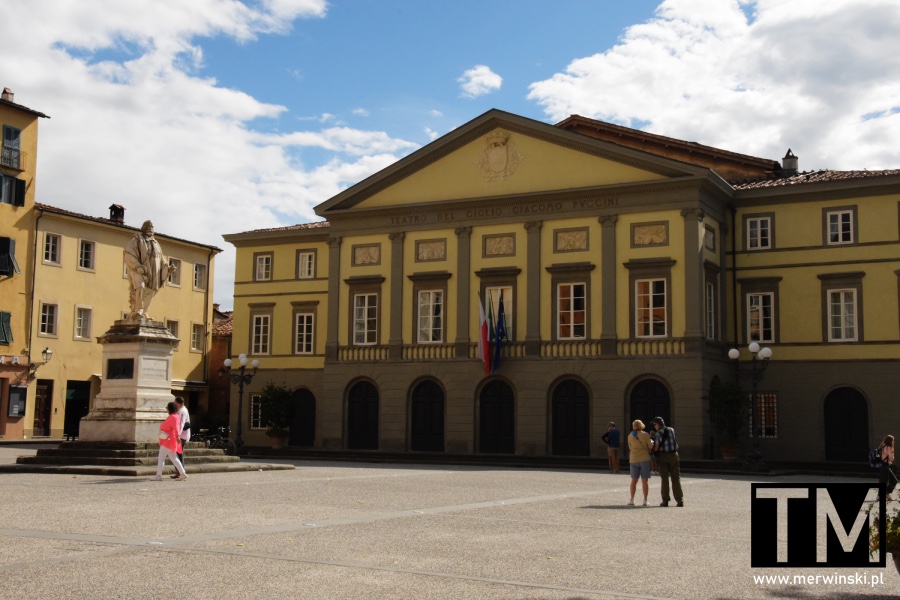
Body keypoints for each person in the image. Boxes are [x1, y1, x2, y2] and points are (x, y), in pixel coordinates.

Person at [124, 220, 175, 320]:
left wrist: (167, 267)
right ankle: (138, 310)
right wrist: (137, 266)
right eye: (148, 226)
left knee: (151, 291)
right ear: (143, 228)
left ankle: (144, 312)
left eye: (152, 227)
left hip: (153, 271)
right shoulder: (137, 239)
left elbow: (161, 258)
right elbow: (128, 254)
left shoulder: (156, 243)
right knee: (140, 286)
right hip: (139, 270)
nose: (150, 228)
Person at [652, 416, 684, 507]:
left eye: (654, 424)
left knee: (665, 479)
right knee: (676, 478)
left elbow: (656, 447)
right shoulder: (671, 430)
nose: (654, 426)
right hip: (674, 455)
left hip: (663, 456)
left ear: (657, 424)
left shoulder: (657, 434)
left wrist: (652, 449)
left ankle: (665, 500)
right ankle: (679, 500)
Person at [154, 401, 187, 481]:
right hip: (170, 439)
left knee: (161, 458)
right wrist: (177, 436)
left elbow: (176, 427)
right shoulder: (175, 416)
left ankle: (159, 476)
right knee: (173, 457)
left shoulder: (173, 417)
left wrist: (177, 436)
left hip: (168, 440)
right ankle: (182, 473)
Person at [627, 419, 654, 506]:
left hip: (633, 459)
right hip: (644, 458)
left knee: (634, 480)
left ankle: (632, 499)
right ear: (641, 425)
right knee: (644, 480)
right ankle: (645, 500)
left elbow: (630, 447)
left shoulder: (630, 436)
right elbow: (650, 446)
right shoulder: (645, 434)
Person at [173, 397, 191, 476]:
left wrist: (178, 435)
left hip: (182, 436)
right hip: (181, 435)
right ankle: (179, 471)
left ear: (178, 403)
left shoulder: (183, 411)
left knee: (178, 454)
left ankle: (180, 471)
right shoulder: (180, 410)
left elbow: (181, 423)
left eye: (175, 403)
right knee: (177, 454)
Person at [879, 434, 897, 501]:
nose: (893, 442)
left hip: (883, 465)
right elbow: (891, 458)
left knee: (883, 481)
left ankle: (881, 495)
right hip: (886, 465)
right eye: (893, 440)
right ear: (890, 441)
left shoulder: (882, 446)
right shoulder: (889, 448)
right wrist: (892, 451)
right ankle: (886, 493)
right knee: (893, 480)